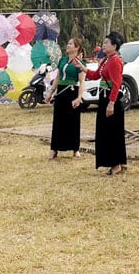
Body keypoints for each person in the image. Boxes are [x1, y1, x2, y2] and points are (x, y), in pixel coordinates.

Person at [76, 32, 127, 175]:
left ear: (114, 46)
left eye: (106, 43)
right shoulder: (106, 60)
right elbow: (95, 75)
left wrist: (111, 103)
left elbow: (116, 84)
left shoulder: (115, 61)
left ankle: (116, 164)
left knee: (113, 132)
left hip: (111, 101)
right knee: (104, 132)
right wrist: (82, 67)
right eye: (103, 43)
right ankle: (111, 162)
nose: (103, 46)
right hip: (104, 98)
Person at [45, 37, 86, 159]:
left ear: (76, 47)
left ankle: (75, 148)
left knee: (73, 121)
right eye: (67, 43)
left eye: (70, 44)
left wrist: (79, 97)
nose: (67, 46)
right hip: (61, 92)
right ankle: (54, 149)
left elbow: (82, 81)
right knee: (58, 121)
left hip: (72, 92)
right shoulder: (62, 60)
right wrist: (50, 92)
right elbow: (58, 77)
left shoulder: (80, 63)